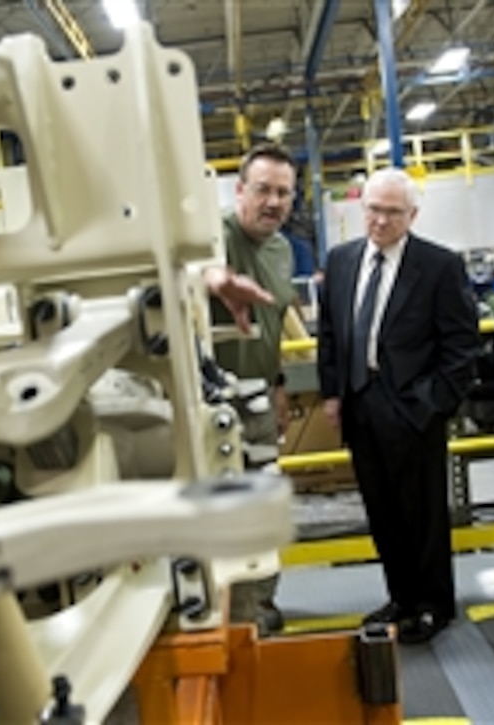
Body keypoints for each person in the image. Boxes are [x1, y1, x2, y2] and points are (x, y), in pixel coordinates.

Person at [317, 167, 479, 644]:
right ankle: (401, 597)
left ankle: (433, 605)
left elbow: (462, 346)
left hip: (414, 408)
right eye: (372, 209)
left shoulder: (438, 266)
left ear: (412, 215)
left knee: (424, 513)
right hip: (360, 404)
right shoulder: (342, 261)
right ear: (360, 206)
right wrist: (333, 393)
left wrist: (433, 404)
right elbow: (330, 333)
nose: (380, 221)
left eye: (392, 212)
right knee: (383, 511)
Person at [207, 142, 298, 634]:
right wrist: (217, 279)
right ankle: (225, 612)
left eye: (284, 193)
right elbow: (198, 272)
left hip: (259, 398)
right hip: (210, 404)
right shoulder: (212, 234)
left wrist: (279, 385)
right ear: (240, 190)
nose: (274, 202)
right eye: (263, 189)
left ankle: (260, 602)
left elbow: (276, 320)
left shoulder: (283, 249)